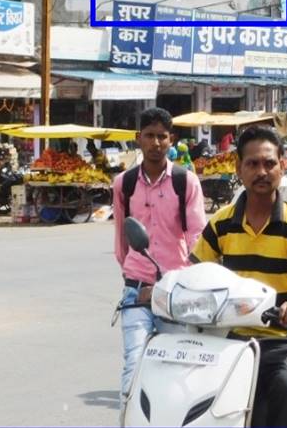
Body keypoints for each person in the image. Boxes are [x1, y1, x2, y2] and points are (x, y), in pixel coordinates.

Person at [190, 125, 287, 427]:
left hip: (280, 339)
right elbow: (194, 274)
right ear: (238, 168)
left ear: (282, 166)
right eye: (252, 164)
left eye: (269, 163)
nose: (261, 172)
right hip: (229, 339)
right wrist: (163, 291)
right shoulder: (221, 223)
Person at [112, 107, 206, 407]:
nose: (155, 143)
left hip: (175, 291)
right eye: (149, 136)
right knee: (134, 365)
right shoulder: (124, 183)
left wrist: (186, 283)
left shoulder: (186, 182)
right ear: (138, 138)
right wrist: (133, 275)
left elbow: (197, 239)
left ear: (171, 140)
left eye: (162, 137)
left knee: (179, 371)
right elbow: (122, 239)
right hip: (136, 290)